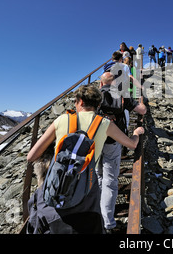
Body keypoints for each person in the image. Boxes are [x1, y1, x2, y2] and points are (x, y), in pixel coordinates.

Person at [26, 85, 144, 234]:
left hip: (56, 185)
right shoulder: (105, 123)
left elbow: (31, 156)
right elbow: (132, 144)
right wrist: (136, 133)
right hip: (87, 186)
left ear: (80, 102)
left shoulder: (62, 119)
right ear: (98, 105)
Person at [97, 72, 147, 232]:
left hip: (95, 141)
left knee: (98, 176)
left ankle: (97, 212)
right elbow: (142, 110)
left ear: (100, 84)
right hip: (114, 140)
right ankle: (108, 222)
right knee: (110, 181)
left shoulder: (95, 96)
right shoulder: (121, 95)